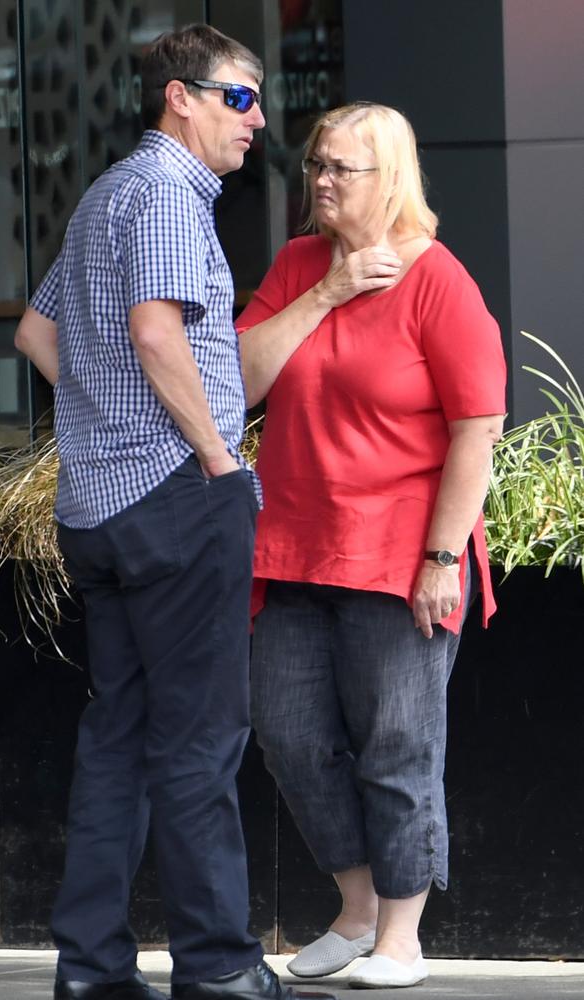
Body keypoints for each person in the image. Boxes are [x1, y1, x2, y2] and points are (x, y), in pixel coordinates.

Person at [15, 24, 336, 1000]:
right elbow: (155, 330)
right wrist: (209, 452)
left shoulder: (109, 194)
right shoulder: (160, 196)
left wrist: (108, 417)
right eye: (239, 98)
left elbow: (37, 332)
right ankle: (218, 964)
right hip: (174, 500)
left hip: (104, 507)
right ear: (180, 99)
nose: (256, 121)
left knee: (119, 735)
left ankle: (93, 968)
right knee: (200, 737)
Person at [236, 102, 507, 989]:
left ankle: (401, 936)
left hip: (399, 556)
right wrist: (330, 291)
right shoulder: (300, 264)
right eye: (314, 163)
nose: (319, 180)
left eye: (339, 169)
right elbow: (239, 381)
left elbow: (478, 430)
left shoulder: (439, 282)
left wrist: (441, 559)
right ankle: (354, 911)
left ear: (389, 177)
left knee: (398, 743)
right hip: (294, 548)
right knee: (288, 734)